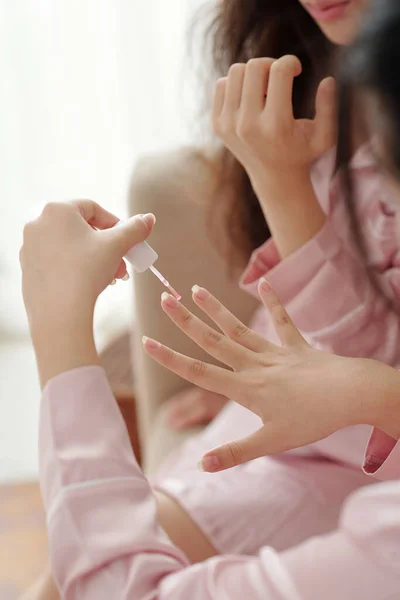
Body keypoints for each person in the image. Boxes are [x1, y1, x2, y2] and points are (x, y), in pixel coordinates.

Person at [22, 0, 400, 597]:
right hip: (304, 408)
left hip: (356, 453)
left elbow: (117, 587)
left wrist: (58, 325)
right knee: (55, 580)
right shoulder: (323, 71)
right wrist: (245, 363)